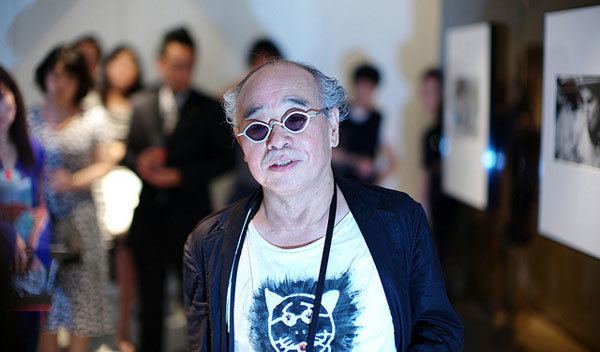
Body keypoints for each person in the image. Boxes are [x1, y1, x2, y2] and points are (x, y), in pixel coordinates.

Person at [184, 60, 463, 351]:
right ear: (242, 144)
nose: (277, 141)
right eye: (257, 129)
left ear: (332, 126)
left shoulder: (398, 222)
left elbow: (438, 332)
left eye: (295, 119)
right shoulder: (208, 245)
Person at [124, 27, 233, 352]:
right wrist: (139, 163)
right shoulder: (141, 103)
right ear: (160, 63)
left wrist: (182, 175)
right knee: (150, 304)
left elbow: (225, 161)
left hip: (191, 220)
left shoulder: (208, 106)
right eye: (175, 64)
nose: (181, 72)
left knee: (197, 304)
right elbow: (127, 152)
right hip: (148, 219)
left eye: (187, 65)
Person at [30, 45, 119, 352]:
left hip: (81, 220)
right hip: (39, 222)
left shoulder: (93, 117)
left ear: (81, 80)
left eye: (69, 76)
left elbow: (107, 160)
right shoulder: (29, 118)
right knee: (44, 306)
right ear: (44, 77)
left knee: (82, 305)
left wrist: (74, 181)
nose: (61, 83)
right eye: (54, 75)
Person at [0, 66, 51, 352]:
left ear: (13, 96)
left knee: (27, 337)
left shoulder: (33, 147)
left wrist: (35, 247)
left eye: (1, 95)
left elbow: (41, 205)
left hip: (28, 262)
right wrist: (9, 237)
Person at [99, 45, 144, 352]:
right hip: (94, 188)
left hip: (130, 189)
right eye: (119, 62)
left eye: (131, 62)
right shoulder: (91, 102)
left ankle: (122, 329)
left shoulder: (142, 103)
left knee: (127, 257)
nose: (124, 68)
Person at [228, 38, 283, 204]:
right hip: (248, 182)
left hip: (279, 179)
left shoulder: (288, 96)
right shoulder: (241, 98)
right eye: (258, 69)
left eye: (269, 67)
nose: (264, 74)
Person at [332, 63, 395, 184]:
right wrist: (356, 162)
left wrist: (376, 183)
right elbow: (329, 151)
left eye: (369, 87)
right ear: (355, 85)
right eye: (362, 86)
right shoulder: (338, 113)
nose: (365, 91)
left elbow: (393, 160)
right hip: (336, 181)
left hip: (364, 186)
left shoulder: (380, 119)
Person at [420, 68, 456, 265]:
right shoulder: (430, 134)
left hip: (453, 206)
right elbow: (426, 175)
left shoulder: (451, 132)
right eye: (424, 92)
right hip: (439, 204)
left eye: (431, 91)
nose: (426, 98)